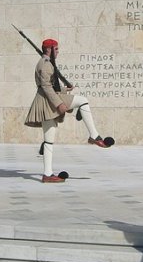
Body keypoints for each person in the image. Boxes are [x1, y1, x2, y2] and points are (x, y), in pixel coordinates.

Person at [24, 38, 108, 183]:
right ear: (48, 50)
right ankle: (94, 136)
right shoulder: (44, 65)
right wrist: (59, 104)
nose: (58, 52)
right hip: (48, 101)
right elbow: (46, 87)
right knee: (83, 101)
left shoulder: (46, 63)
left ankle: (47, 175)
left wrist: (64, 89)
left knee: (48, 141)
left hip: (46, 100)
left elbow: (50, 86)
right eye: (56, 49)